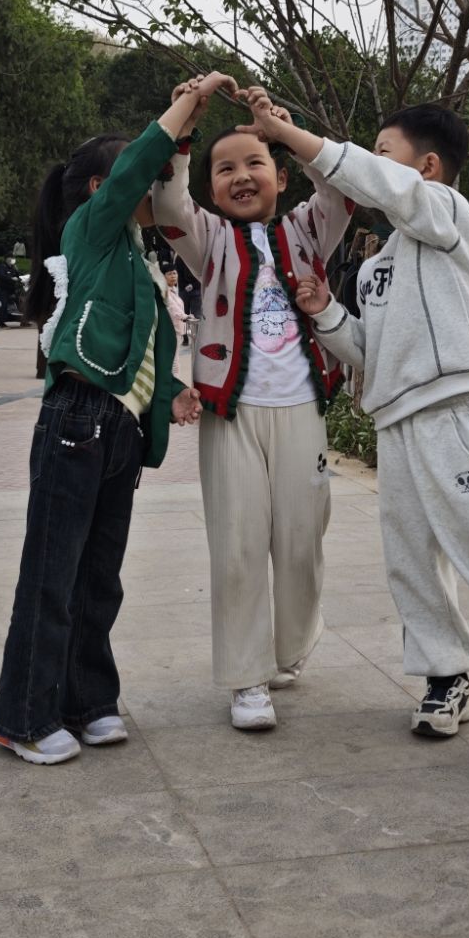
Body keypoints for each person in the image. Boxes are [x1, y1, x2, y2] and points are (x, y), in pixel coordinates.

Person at [241, 90, 469, 754]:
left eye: (383, 153)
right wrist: (327, 314)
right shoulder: (375, 267)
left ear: (428, 167)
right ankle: (446, 677)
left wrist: (292, 137)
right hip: (397, 421)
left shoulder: (446, 213)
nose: (373, 164)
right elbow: (369, 353)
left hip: (459, 412)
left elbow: (384, 187)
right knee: (411, 562)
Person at [0, 79, 211, 768]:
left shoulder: (138, 257)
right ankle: (22, 716)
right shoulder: (92, 231)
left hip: (119, 431)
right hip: (76, 420)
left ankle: (88, 701)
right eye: (149, 178)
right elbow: (139, 166)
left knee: (99, 578)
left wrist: (171, 391)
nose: (158, 186)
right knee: (52, 575)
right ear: (99, 189)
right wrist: (184, 108)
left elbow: (139, 340)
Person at [151, 80, 351, 731]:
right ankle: (245, 678)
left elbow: (340, 190)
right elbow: (167, 201)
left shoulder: (306, 229)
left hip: (302, 408)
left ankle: (290, 646)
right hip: (230, 413)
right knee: (237, 545)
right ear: (211, 188)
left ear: (281, 177)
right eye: (225, 169)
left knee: (301, 540)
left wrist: (282, 128)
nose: (241, 176)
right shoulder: (207, 239)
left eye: (255, 163)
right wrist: (187, 124)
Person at [0, 255, 21, 328]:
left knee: (20, 301)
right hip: (3, 290)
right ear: (6, 259)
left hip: (12, 289)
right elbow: (2, 276)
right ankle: (1, 322)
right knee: (4, 303)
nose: (12, 260)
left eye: (13, 258)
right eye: (10, 258)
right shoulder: (2, 267)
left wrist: (17, 271)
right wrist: (11, 278)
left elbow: (18, 275)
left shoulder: (13, 267)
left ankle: (23, 320)